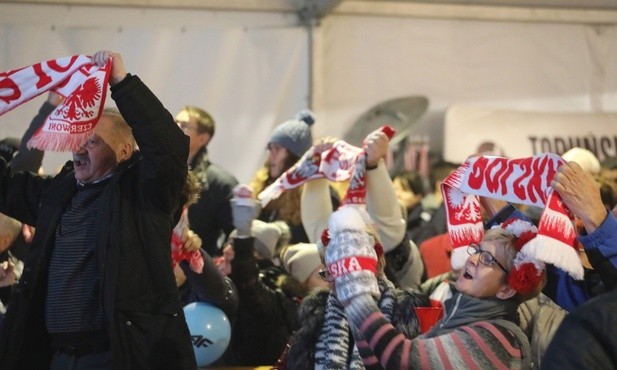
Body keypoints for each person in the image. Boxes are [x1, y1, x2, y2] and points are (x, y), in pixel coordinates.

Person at [0, 51, 196, 369]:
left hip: (118, 355)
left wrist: (122, 82)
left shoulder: (144, 195)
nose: (78, 146)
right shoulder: (57, 193)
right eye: (78, 136)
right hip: (56, 356)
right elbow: (4, 186)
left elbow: (168, 147)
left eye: (91, 141)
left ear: (123, 150)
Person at [326, 206, 547, 369]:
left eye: (488, 259)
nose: (473, 260)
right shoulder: (458, 318)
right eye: (478, 250)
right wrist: (368, 279)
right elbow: (380, 364)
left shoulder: (498, 339)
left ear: (506, 289)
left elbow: (402, 358)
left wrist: (356, 290)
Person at [250, 110, 340, 244]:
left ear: (295, 157)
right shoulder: (266, 187)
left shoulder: (318, 193)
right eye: (270, 149)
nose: (270, 157)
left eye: (277, 149)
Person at [175, 106, 238, 257]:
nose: (174, 129)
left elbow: (236, 233)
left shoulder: (222, 184)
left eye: (183, 125)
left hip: (197, 269)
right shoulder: (156, 170)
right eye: (174, 123)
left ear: (203, 138)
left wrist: (217, 263)